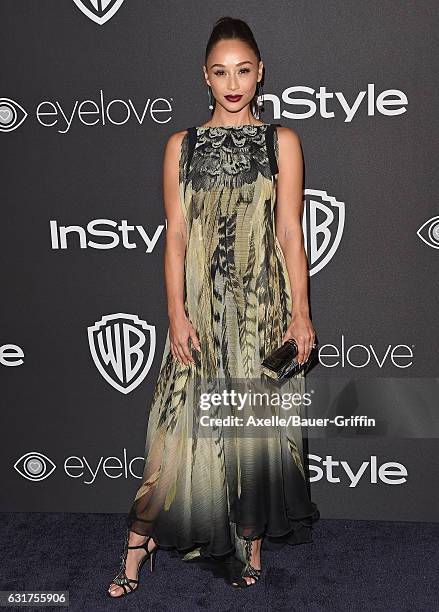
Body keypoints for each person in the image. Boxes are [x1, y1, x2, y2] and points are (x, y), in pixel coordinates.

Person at [107, 15, 319, 598]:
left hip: (261, 309)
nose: (233, 83)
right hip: (198, 309)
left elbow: (291, 233)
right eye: (221, 72)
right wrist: (174, 312)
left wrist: (300, 313)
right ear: (205, 76)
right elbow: (174, 235)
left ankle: (249, 542)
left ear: (260, 74)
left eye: (244, 71)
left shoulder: (283, 143)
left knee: (253, 428)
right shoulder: (181, 146)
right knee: (175, 427)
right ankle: (139, 539)